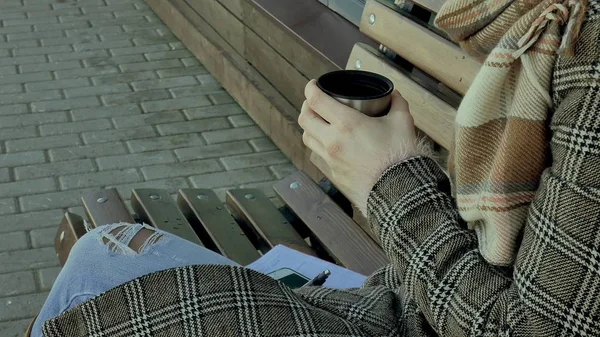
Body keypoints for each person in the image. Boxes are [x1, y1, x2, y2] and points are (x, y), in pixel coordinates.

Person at [31, 0, 600, 335]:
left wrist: (388, 178)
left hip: (428, 317)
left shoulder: (585, 57)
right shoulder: (544, 27)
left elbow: (533, 327)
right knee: (100, 251)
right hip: (412, 301)